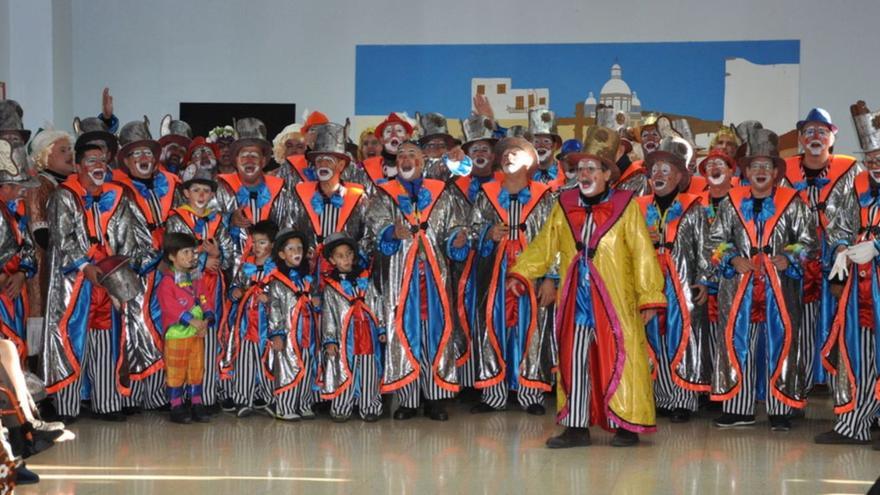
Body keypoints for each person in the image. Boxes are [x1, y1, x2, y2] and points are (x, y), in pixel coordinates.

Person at [509, 125, 665, 448]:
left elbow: (642, 253)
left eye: (592, 168)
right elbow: (543, 244)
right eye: (580, 168)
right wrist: (521, 272)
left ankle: (627, 423)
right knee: (574, 358)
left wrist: (650, 295)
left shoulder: (627, 205)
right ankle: (576, 425)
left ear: (608, 174)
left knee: (622, 357)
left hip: (615, 300)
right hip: (575, 300)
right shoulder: (563, 203)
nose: (584, 173)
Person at [42, 142, 159, 422]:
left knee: (107, 339)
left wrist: (120, 268)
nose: (98, 166)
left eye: (102, 161)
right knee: (70, 337)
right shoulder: (63, 195)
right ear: (78, 166)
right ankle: (67, 406)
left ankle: (107, 403)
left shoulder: (116, 197)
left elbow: (127, 238)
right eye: (91, 160)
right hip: (76, 282)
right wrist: (85, 266)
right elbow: (61, 237)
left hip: (109, 281)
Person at [709, 128, 817, 432]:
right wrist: (732, 258)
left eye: (766, 166)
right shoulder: (731, 200)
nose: (760, 171)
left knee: (780, 341)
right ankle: (737, 408)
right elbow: (714, 240)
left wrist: (790, 256)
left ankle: (780, 407)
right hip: (740, 290)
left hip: (778, 289)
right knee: (737, 341)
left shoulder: (793, 201)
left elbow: (810, 241)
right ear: (745, 171)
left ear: (775, 172)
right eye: (754, 166)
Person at [365, 141, 469, 421]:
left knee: (434, 331)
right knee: (404, 331)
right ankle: (409, 400)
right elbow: (375, 223)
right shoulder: (383, 195)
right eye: (401, 155)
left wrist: (458, 237)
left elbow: (454, 225)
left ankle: (436, 398)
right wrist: (390, 232)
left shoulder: (441, 194)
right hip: (402, 276)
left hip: (435, 278)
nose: (406, 159)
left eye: (412, 154)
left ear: (423, 161)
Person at [468, 137, 556, 415]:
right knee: (492, 325)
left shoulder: (545, 196)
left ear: (530, 162)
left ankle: (531, 392)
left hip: (532, 275)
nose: (507, 157)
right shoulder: (486, 194)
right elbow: (471, 230)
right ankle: (493, 392)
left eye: (515, 153)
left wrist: (551, 279)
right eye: (504, 154)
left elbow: (554, 239)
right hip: (495, 274)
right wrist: (487, 234)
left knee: (533, 328)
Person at [815, 100, 880, 449]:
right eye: (870, 160)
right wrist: (840, 247)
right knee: (857, 352)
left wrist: (878, 247)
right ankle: (854, 422)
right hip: (859, 287)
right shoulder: (855, 185)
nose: (875, 165)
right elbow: (838, 222)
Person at [637, 136, 712, 423]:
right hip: (650, 282)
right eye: (655, 169)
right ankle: (662, 396)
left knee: (684, 336)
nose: (659, 175)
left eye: (666, 170)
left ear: (680, 176)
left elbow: (704, 246)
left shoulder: (693, 207)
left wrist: (704, 279)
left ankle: (684, 398)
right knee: (653, 336)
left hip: (682, 283)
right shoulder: (639, 206)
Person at [783, 108, 859, 390]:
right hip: (796, 257)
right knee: (797, 319)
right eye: (809, 132)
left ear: (831, 139)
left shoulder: (850, 169)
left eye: (822, 132)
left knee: (837, 315)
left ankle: (834, 379)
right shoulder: (785, 171)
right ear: (801, 139)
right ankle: (798, 380)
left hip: (836, 257)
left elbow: (858, 209)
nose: (816, 137)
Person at [165, 169, 234, 411]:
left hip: (212, 287)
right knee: (183, 339)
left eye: (206, 190)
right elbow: (173, 253)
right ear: (186, 193)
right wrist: (205, 260)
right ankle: (178, 398)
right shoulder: (176, 218)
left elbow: (229, 254)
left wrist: (218, 256)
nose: (201, 194)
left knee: (209, 338)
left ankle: (204, 396)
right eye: (196, 190)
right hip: (184, 286)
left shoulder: (218, 220)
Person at [318, 233, 386, 422]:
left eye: (348, 254)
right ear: (332, 260)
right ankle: (342, 406)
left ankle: (370, 405)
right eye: (340, 256)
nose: (346, 259)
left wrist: (381, 328)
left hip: (367, 335)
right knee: (344, 369)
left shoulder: (366, 281)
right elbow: (329, 316)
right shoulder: (331, 288)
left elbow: (377, 303)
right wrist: (330, 340)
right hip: (345, 337)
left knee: (369, 370)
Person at [288, 123, 369, 278]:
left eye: (328, 160)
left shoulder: (358, 197)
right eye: (319, 160)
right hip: (308, 273)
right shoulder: (299, 195)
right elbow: (291, 229)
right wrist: (303, 254)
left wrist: (349, 257)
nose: (322, 165)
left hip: (345, 276)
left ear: (340, 165)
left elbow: (367, 236)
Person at [156, 232, 219, 424]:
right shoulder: (167, 282)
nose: (191, 256)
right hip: (178, 334)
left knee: (196, 369)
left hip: (197, 334)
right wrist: (192, 320)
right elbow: (170, 306)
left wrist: (207, 318)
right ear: (172, 257)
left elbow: (204, 297)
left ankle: (196, 403)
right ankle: (176, 405)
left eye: (192, 252)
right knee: (176, 370)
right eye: (185, 252)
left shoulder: (196, 277)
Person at [221, 220, 277, 417]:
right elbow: (234, 285)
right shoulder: (247, 265)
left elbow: (284, 294)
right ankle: (242, 399)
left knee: (268, 360)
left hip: (267, 323)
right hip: (245, 323)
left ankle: (270, 398)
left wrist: (269, 298)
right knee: (244, 358)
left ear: (272, 243)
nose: (256, 247)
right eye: (254, 242)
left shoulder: (278, 267)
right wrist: (235, 291)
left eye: (262, 242)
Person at [264, 229, 319, 421]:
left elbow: (314, 299)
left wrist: (316, 302)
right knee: (288, 367)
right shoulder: (277, 282)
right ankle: (284, 405)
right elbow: (274, 308)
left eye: (300, 248)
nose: (297, 251)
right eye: (291, 248)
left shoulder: (307, 279)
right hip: (288, 334)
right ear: (281, 254)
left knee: (307, 364)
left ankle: (304, 403)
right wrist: (277, 334)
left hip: (308, 332)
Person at [0, 140, 39, 361]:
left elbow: (27, 246)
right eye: (18, 186)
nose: (23, 191)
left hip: (13, 291)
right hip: (4, 291)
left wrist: (22, 273)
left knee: (14, 346)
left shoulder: (15, 212)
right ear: (4, 186)